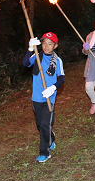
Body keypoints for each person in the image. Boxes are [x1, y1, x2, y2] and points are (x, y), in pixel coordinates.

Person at [22, 32, 65, 163]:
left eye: (50, 44)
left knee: (45, 124)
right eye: (44, 43)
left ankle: (44, 152)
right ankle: (50, 138)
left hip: (49, 98)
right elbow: (25, 63)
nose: (46, 46)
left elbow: (61, 78)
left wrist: (53, 88)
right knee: (40, 125)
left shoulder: (57, 61)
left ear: (55, 46)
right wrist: (30, 49)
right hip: (36, 97)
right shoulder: (37, 56)